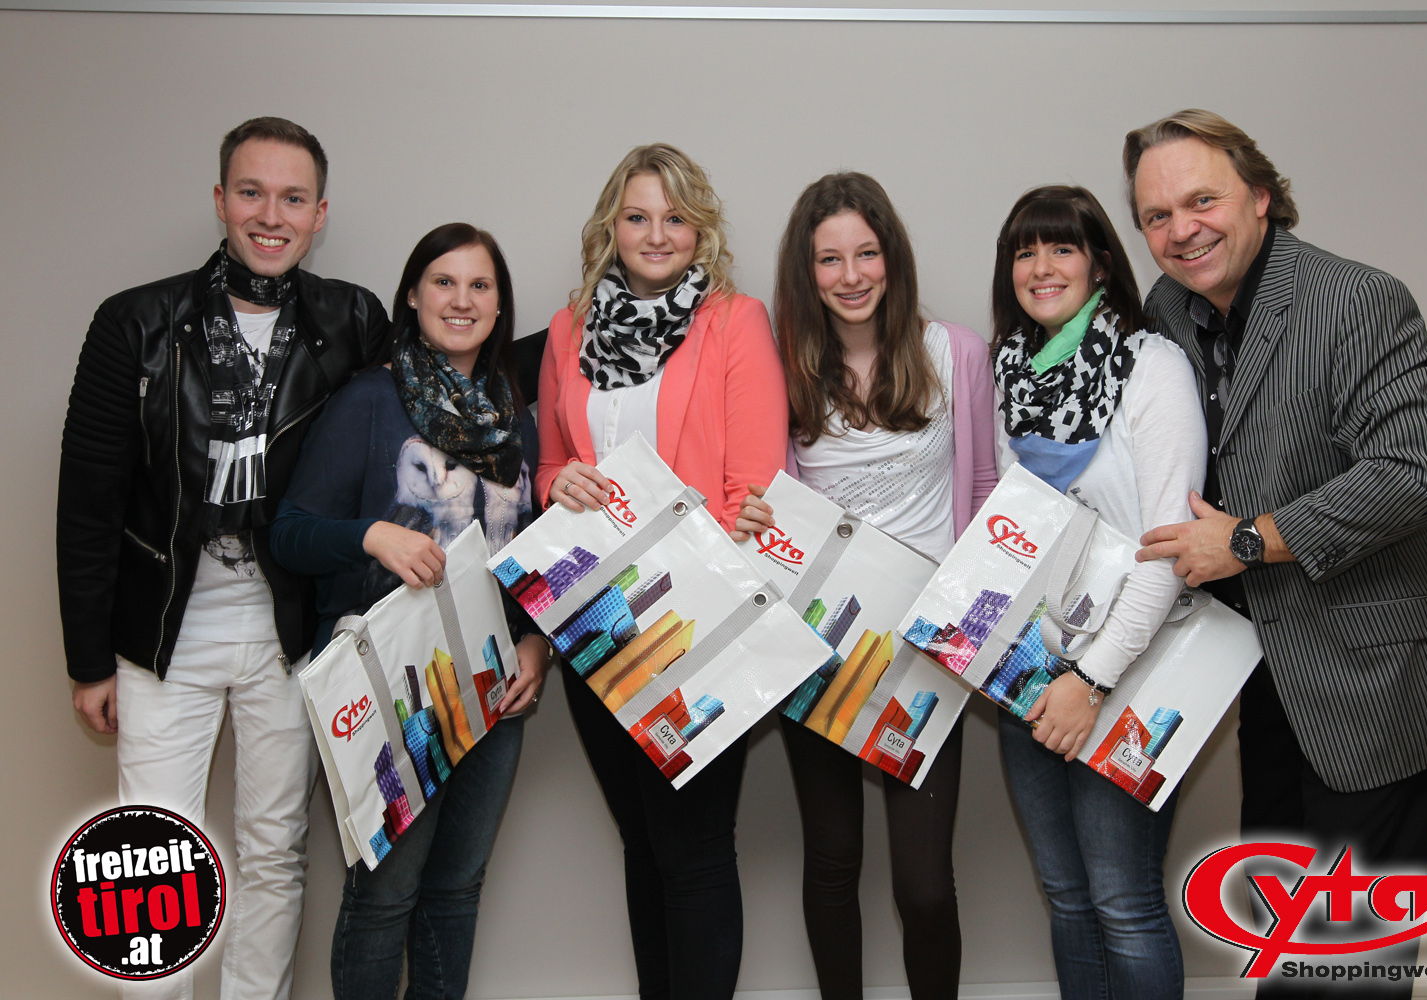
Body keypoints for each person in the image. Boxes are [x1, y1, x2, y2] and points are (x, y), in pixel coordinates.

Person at [1127, 109, 1427, 998]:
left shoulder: (1357, 299)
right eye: (1157, 216)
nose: (1181, 230)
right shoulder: (1168, 309)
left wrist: (1248, 540)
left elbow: (1417, 473)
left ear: (1261, 195)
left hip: (1376, 676)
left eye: (1201, 200)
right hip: (1268, 674)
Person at [57, 117, 389, 1000]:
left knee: (275, 850)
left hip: (292, 627)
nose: (270, 215)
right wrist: (88, 660)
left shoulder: (353, 318)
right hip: (166, 626)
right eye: (251, 192)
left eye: (292, 198)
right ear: (219, 200)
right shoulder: (135, 321)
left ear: (320, 214)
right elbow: (87, 504)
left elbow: (408, 429)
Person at [733, 172, 996, 1000]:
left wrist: (974, 620)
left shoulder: (954, 352)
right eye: (830, 260)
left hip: (924, 652)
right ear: (806, 272)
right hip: (821, 646)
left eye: (867, 254)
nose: (851, 276)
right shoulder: (784, 368)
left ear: (893, 258)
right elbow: (764, 493)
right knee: (833, 860)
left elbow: (984, 491)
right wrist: (750, 515)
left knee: (924, 885)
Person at [269, 222, 549, 998]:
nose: (462, 300)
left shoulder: (515, 416)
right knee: (386, 891)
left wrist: (536, 644)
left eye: (480, 285)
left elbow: (529, 549)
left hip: (494, 682)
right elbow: (289, 533)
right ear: (413, 297)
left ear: (499, 306)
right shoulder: (370, 399)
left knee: (457, 887)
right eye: (444, 282)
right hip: (390, 684)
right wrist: (372, 535)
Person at [535, 143, 787, 1000]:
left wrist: (691, 586)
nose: (656, 234)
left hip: (694, 621)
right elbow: (551, 463)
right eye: (638, 216)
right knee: (642, 844)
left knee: (693, 847)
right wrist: (556, 482)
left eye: (675, 217)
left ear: (699, 227)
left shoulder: (734, 321)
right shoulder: (569, 328)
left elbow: (754, 484)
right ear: (611, 225)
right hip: (592, 616)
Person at [990, 185, 1207, 1000]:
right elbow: (1010, 532)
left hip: (1130, 668)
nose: (1041, 267)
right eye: (1024, 251)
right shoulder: (1007, 373)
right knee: (1067, 897)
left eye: (1062, 248)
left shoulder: (1152, 366)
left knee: (1123, 902)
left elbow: (1167, 551)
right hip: (1033, 669)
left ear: (1101, 264)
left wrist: (1091, 680)